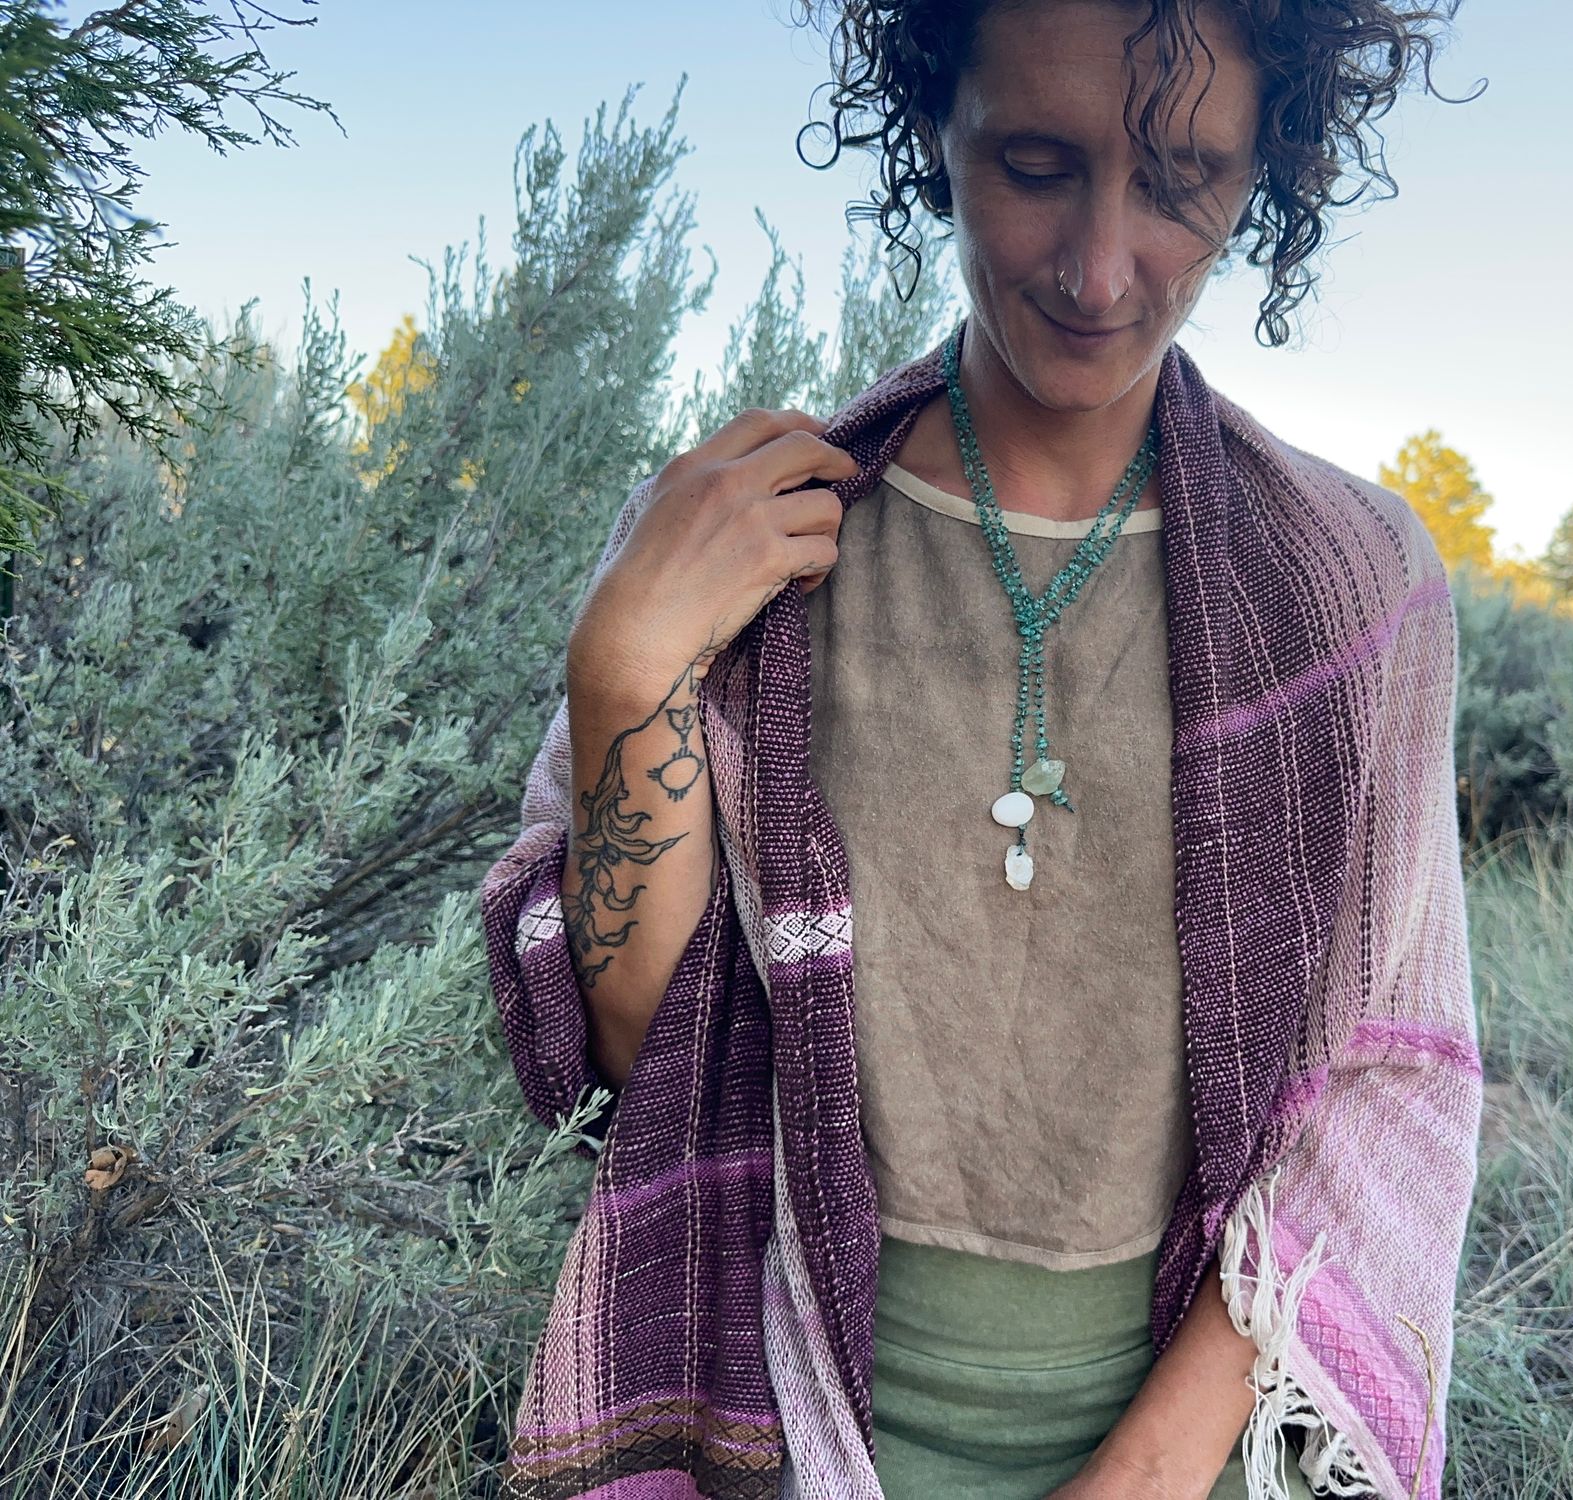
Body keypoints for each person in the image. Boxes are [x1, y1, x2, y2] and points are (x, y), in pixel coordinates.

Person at [480, 3, 1482, 1498]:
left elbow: (1384, 1075)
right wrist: (626, 669)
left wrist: (1142, 1476)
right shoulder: (742, 556)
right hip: (758, 1426)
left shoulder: (1349, 585)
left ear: (1267, 170)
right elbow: (626, 1051)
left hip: (1195, 1451)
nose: (1100, 264)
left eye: (1184, 178)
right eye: (1034, 162)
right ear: (931, 126)